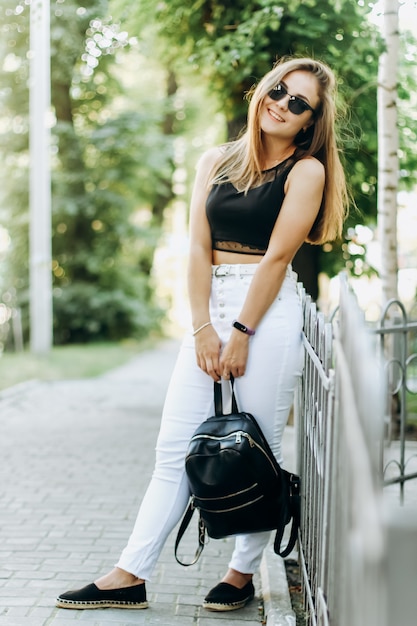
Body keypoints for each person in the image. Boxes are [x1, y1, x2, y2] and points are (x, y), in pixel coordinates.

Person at [56, 56, 348, 612]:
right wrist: (201, 327)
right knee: (174, 449)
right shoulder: (216, 159)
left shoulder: (305, 171)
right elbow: (194, 247)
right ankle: (129, 574)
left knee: (257, 442)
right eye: (279, 90)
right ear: (264, 89)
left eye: (298, 103)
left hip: (266, 310)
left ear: (309, 122)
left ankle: (241, 572)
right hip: (210, 301)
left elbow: (279, 256)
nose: (282, 104)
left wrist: (241, 329)